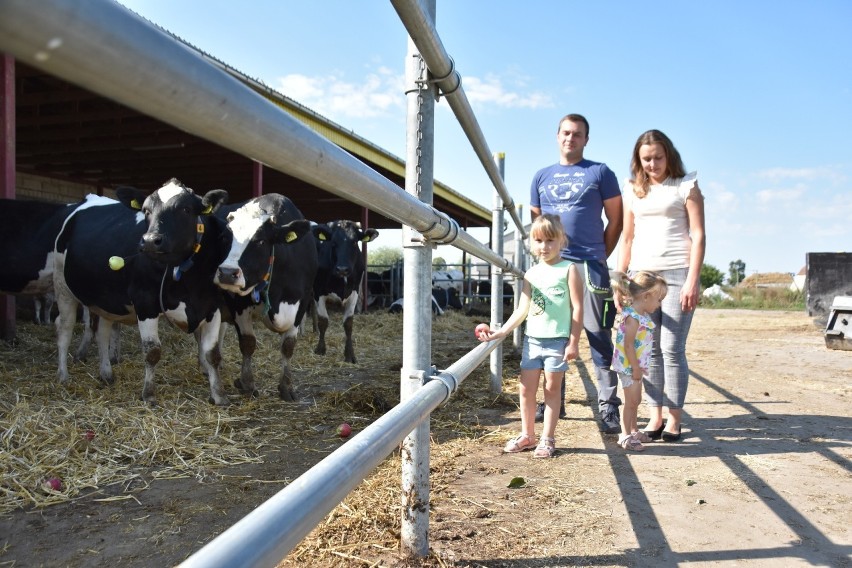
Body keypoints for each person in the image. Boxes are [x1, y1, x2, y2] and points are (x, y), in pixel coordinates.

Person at [530, 113, 624, 433]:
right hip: (555, 266)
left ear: (586, 139)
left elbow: (616, 220)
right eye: (566, 133)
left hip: (590, 263)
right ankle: (554, 400)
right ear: (557, 136)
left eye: (578, 134)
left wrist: (599, 256)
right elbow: (537, 225)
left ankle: (608, 406)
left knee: (598, 334)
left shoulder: (600, 173)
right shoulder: (541, 177)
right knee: (553, 333)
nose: (571, 138)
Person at [617, 129, 706, 442]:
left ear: (669, 155)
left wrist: (693, 280)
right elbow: (627, 237)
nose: (652, 164)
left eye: (657, 157)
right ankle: (654, 415)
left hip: (678, 273)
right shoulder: (632, 189)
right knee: (649, 349)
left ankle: (674, 417)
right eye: (646, 159)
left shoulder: (686, 185)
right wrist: (620, 278)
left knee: (671, 348)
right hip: (642, 277)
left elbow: (698, 235)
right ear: (638, 161)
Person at [477, 214, 583, 458]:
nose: (544, 246)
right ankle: (527, 435)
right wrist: (502, 331)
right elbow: (522, 309)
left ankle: (547, 438)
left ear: (561, 241)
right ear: (531, 243)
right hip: (532, 340)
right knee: (526, 390)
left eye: (550, 241)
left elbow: (577, 308)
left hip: (557, 340)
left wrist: (574, 341)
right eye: (538, 241)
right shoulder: (530, 274)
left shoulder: (568, 269)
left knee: (551, 391)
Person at [610, 271, 668, 451]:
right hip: (629, 367)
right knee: (631, 402)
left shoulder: (641, 316)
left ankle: (634, 430)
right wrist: (635, 368)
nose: (659, 304)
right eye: (658, 299)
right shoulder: (633, 319)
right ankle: (625, 435)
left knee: (636, 399)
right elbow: (628, 346)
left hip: (636, 366)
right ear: (646, 297)